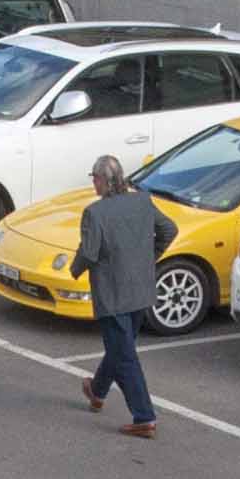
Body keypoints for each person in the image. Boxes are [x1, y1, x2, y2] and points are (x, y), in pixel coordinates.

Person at [71, 155, 175, 440]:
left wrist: (74, 268)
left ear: (103, 181)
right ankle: (97, 390)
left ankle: (144, 417)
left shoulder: (95, 213)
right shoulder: (142, 201)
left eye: (94, 178)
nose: (93, 182)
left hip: (113, 294)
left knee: (125, 355)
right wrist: (149, 259)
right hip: (141, 291)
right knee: (121, 347)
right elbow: (169, 229)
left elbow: (90, 252)